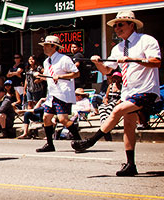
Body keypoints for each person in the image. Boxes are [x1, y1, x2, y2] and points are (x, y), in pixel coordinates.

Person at [72, 10, 161, 176]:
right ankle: (130, 164)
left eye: (120, 24)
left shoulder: (146, 41)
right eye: (115, 25)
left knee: (117, 110)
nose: (117, 28)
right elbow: (108, 71)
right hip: (128, 92)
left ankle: (91, 141)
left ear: (131, 24)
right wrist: (97, 63)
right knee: (128, 126)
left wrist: (133, 59)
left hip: (146, 90)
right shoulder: (118, 48)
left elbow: (156, 62)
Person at [35, 35, 81, 152]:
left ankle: (79, 140)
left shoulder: (64, 59)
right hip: (52, 94)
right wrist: (40, 77)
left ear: (54, 47)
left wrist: (60, 76)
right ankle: (50, 144)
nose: (44, 48)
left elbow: (76, 73)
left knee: (63, 119)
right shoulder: (47, 62)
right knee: (46, 118)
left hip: (62, 93)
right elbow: (48, 77)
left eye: (46, 45)